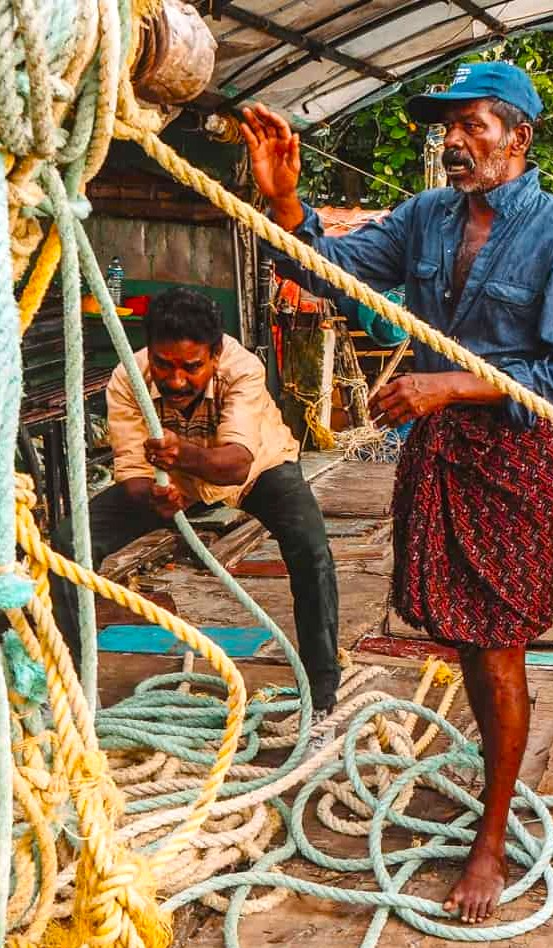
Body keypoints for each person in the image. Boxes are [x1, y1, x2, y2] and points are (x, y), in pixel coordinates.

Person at [240, 61, 553, 924]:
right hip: (440, 451)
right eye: (447, 127)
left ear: (518, 136)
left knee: (499, 642)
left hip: (513, 459)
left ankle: (491, 839)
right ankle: (491, 778)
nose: (453, 141)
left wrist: (446, 386)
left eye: (473, 124)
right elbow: (331, 271)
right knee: (458, 630)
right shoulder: (427, 217)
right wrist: (285, 204)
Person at [49, 288, 341, 727]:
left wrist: (181, 454)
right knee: (68, 543)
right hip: (173, 482)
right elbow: (132, 474)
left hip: (257, 469)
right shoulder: (128, 377)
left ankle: (321, 696)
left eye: (191, 366)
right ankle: (73, 689)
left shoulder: (243, 369)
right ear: (149, 351)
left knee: (312, 551)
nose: (177, 380)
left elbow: (236, 466)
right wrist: (154, 496)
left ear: (216, 354)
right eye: (164, 365)